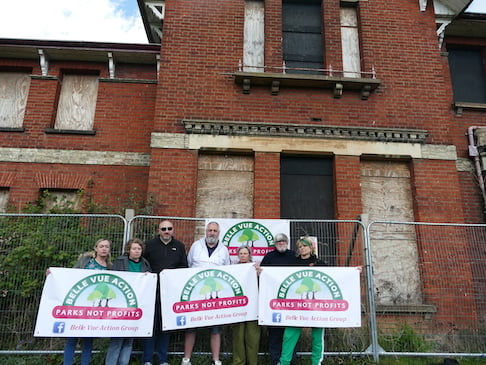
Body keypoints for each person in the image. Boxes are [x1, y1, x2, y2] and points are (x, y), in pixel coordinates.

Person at [182, 221, 230, 365]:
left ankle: (216, 360)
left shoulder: (224, 250)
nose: (212, 233)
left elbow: (227, 270)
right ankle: (186, 359)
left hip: (215, 294)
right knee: (191, 327)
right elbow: (189, 265)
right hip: (197, 293)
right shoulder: (196, 246)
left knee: (215, 329)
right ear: (206, 231)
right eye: (209, 230)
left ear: (219, 233)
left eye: (215, 231)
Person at [142, 220, 188, 365]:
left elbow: (183, 267)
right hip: (151, 292)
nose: (166, 231)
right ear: (158, 231)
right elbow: (143, 264)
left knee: (165, 326)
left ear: (173, 230)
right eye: (163, 229)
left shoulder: (179, 246)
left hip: (170, 293)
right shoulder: (149, 245)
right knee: (150, 325)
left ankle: (163, 359)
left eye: (169, 228)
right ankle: (147, 359)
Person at [279, 237, 328, 365]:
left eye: (304, 246)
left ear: (311, 248)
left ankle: (316, 362)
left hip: (316, 308)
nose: (302, 249)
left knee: (317, 337)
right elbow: (280, 277)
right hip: (297, 307)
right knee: (289, 336)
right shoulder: (292, 263)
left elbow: (335, 276)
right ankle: (284, 362)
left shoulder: (319, 263)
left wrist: (354, 271)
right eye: (300, 247)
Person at [63, 238, 112, 365]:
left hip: (96, 307)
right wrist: (53, 273)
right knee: (72, 337)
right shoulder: (85, 262)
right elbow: (70, 275)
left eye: (106, 246)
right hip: (81, 303)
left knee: (88, 339)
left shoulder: (111, 267)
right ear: (96, 248)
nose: (104, 248)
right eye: (101, 246)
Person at [105, 238, 152, 365]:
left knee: (128, 341)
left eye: (139, 249)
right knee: (117, 340)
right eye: (134, 249)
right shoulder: (120, 262)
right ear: (128, 250)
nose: (136, 251)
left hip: (136, 306)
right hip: (121, 306)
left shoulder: (145, 264)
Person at [259, 233, 297, 365]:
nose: (281, 243)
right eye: (278, 241)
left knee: (290, 335)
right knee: (275, 335)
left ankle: (290, 361)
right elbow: (261, 276)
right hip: (273, 303)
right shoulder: (269, 257)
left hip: (292, 303)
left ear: (287, 242)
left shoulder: (294, 256)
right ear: (275, 244)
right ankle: (276, 362)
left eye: (283, 241)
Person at [232, 245, 261, 365]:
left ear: (249, 255)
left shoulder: (255, 268)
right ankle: (239, 362)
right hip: (238, 307)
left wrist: (259, 273)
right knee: (238, 337)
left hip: (253, 307)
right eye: (241, 253)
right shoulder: (233, 269)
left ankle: (252, 362)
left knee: (252, 337)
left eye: (245, 253)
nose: (243, 255)